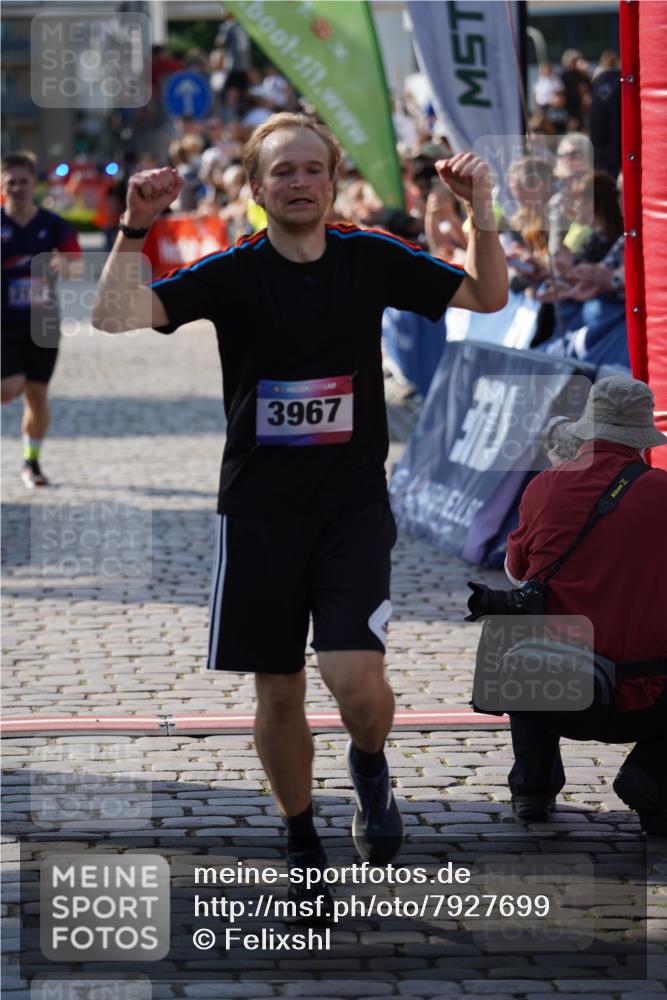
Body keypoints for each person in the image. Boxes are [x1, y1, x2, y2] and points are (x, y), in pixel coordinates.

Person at [92, 112, 507, 912]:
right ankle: (300, 832)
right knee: (277, 692)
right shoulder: (233, 271)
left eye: (312, 169)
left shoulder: (369, 256)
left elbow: (486, 295)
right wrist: (135, 226)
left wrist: (479, 208)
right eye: (282, 172)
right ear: (255, 188)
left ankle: (369, 762)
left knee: (353, 678)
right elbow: (113, 316)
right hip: (257, 512)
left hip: (351, 504)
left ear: (333, 179)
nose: (300, 183)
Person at [504, 375, 667, 835]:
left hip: (555, 690)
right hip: (647, 695)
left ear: (588, 430)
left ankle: (532, 787)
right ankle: (651, 772)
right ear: (640, 439)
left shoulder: (544, 487)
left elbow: (517, 575)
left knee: (520, 623)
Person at [1, 151, 81, 488]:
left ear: (34, 183)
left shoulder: (52, 224)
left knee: (37, 393)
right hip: (3, 323)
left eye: (23, 181)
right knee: (9, 388)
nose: (18, 188)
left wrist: (64, 266)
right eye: (11, 182)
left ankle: (31, 462)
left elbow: (76, 262)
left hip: (43, 322)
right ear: (2, 186)